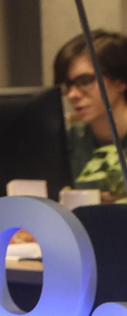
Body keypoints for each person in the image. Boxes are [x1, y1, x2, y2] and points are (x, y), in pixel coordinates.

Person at [55, 29, 127, 198]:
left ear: (121, 81)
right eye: (68, 85)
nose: (72, 95)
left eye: (85, 81)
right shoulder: (68, 141)